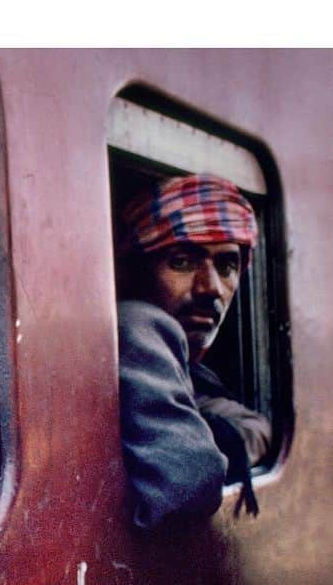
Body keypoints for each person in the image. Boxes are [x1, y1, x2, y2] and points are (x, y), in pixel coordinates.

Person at [115, 173, 272, 530]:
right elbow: (186, 484)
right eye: (183, 262)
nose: (212, 288)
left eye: (227, 265)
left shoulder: (192, 373)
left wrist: (208, 433)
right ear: (135, 271)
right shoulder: (136, 325)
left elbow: (256, 427)